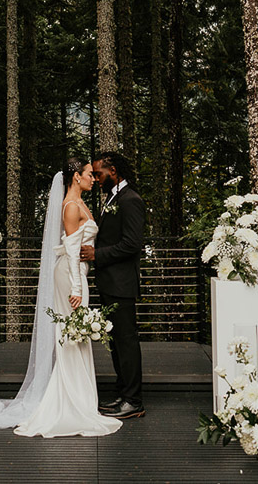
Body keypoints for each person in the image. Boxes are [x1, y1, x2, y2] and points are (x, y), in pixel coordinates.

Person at [11, 158, 122, 438]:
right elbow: (72, 251)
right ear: (76, 177)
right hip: (70, 276)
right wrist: (76, 287)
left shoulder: (80, 203)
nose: (93, 178)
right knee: (71, 335)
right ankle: (71, 403)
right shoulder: (71, 207)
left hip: (76, 274)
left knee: (77, 336)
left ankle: (82, 401)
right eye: (88, 174)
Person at [81, 150, 146, 419]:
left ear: (114, 172)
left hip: (121, 283)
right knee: (117, 343)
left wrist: (98, 255)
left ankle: (134, 401)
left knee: (126, 342)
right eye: (93, 174)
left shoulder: (131, 199)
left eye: (99, 173)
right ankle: (123, 395)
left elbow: (132, 244)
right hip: (109, 282)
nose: (96, 178)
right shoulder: (113, 198)